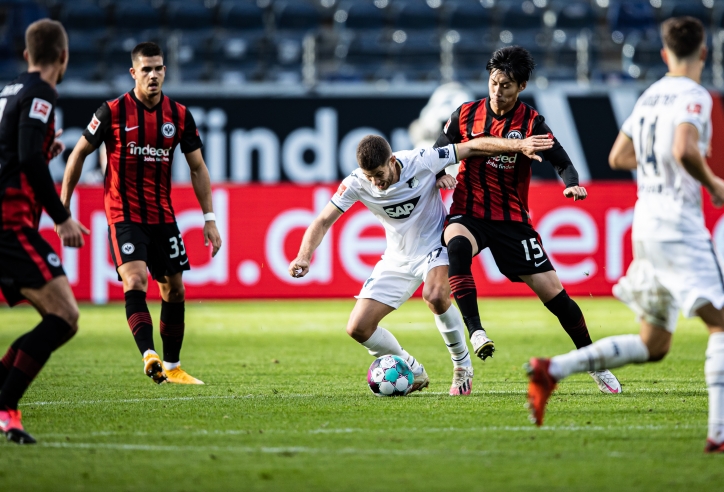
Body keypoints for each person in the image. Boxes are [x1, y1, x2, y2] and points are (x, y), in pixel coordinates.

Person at [526, 17, 724, 452]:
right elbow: (684, 149)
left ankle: (552, 370)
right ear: (704, 53)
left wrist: (658, 163)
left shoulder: (650, 95)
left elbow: (619, 155)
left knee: (654, 345)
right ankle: (719, 435)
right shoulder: (695, 95)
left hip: (646, 223)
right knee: (722, 325)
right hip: (678, 224)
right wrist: (713, 184)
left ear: (664, 54)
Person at [289, 133, 554, 395]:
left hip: (435, 246)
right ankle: (413, 369)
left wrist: (518, 145)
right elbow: (322, 221)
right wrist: (304, 255)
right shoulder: (357, 183)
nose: (375, 183)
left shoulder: (421, 160)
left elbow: (471, 147)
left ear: (392, 161)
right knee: (358, 328)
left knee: (436, 296)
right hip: (396, 258)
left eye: (379, 174)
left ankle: (462, 366)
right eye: (368, 176)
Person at [435, 46, 620, 394]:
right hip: (469, 211)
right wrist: (440, 172)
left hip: (511, 220)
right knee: (456, 244)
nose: (497, 91)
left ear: (520, 87)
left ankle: (594, 362)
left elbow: (563, 161)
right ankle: (476, 332)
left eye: (506, 85)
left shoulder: (530, 123)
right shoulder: (465, 115)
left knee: (556, 296)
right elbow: (439, 149)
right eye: (493, 83)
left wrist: (573, 185)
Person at [61, 42, 222, 385]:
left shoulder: (179, 115)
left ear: (165, 71)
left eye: (158, 68)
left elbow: (198, 168)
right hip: (124, 214)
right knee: (135, 280)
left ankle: (174, 366)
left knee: (174, 290)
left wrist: (209, 219)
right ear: (133, 73)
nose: (153, 75)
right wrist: (63, 208)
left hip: (163, 216)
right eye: (146, 69)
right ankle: (149, 355)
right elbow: (77, 156)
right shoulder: (112, 112)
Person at [0, 19, 88, 444]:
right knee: (65, 316)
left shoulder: (9, 89)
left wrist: (38, 150)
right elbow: (25, 158)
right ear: (64, 57)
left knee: (56, 317)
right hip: (9, 223)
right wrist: (61, 215)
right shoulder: (42, 94)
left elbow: (16, 150)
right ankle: (6, 406)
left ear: (26, 55)